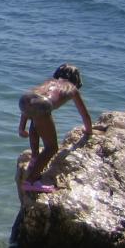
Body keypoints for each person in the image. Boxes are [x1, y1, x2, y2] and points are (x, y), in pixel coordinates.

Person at [17, 63, 92, 192]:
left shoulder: (49, 83)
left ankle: (35, 157)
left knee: (35, 120)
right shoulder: (72, 89)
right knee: (52, 148)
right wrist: (88, 131)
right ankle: (31, 182)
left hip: (25, 99)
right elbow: (84, 113)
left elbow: (31, 105)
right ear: (76, 79)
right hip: (42, 105)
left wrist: (21, 127)